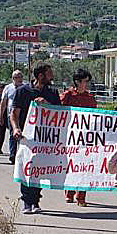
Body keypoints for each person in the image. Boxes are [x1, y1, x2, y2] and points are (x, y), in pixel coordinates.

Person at [10, 64, 61, 214]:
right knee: (26, 167)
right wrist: (15, 128)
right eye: (49, 73)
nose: (52, 76)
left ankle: (36, 200)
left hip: (45, 137)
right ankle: (26, 200)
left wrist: (47, 104)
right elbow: (14, 113)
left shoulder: (52, 92)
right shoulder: (23, 91)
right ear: (40, 76)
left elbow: (60, 113)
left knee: (39, 169)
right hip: (27, 136)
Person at [60, 69, 97, 206]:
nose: (86, 84)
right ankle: (69, 192)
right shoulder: (67, 96)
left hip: (85, 138)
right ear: (77, 82)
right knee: (70, 166)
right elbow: (58, 112)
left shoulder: (90, 98)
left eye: (87, 81)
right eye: (85, 81)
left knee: (84, 166)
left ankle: (81, 197)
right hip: (69, 137)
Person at [0, 70, 25, 164]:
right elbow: (3, 102)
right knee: (12, 135)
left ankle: (22, 155)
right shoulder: (8, 88)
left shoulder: (25, 88)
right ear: (12, 78)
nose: (18, 79)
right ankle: (12, 155)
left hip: (23, 115)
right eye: (16, 77)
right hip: (11, 116)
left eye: (20, 77)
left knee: (23, 135)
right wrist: (0, 116)